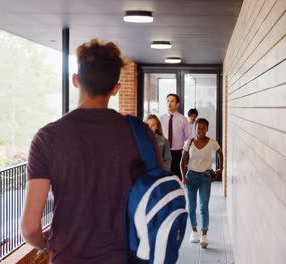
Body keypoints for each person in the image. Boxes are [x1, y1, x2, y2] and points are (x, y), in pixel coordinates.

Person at [21, 39, 164, 264]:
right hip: (126, 256)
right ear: (116, 88)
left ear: (76, 80)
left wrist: (50, 244)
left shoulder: (47, 138)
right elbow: (157, 194)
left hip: (68, 257)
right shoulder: (141, 133)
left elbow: (30, 228)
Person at [180, 118, 223, 249]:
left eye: (204, 128)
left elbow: (220, 153)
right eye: (199, 128)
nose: (201, 130)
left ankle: (204, 235)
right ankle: (194, 232)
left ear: (207, 129)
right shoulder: (189, 142)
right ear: (195, 129)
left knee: (204, 207)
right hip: (191, 177)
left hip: (205, 177)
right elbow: (182, 162)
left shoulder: (212, 142)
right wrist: (183, 177)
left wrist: (221, 169)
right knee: (191, 207)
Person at [159, 94, 191, 180]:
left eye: (172, 101)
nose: (169, 103)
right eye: (168, 101)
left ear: (177, 104)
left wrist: (186, 153)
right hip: (163, 152)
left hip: (178, 154)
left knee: (177, 178)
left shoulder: (183, 119)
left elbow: (189, 137)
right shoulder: (160, 118)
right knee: (164, 177)